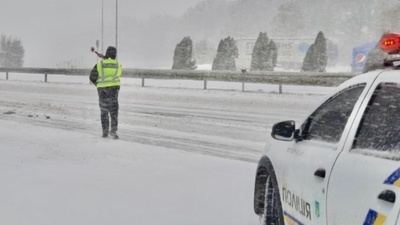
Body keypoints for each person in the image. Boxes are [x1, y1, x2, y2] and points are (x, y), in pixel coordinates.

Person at [89, 46, 122, 139]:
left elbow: (92, 77)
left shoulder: (99, 64)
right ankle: (114, 131)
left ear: (107, 54)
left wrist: (98, 84)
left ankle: (105, 132)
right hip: (114, 90)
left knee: (104, 111)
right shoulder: (118, 65)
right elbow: (117, 74)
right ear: (115, 55)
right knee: (114, 111)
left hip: (102, 90)